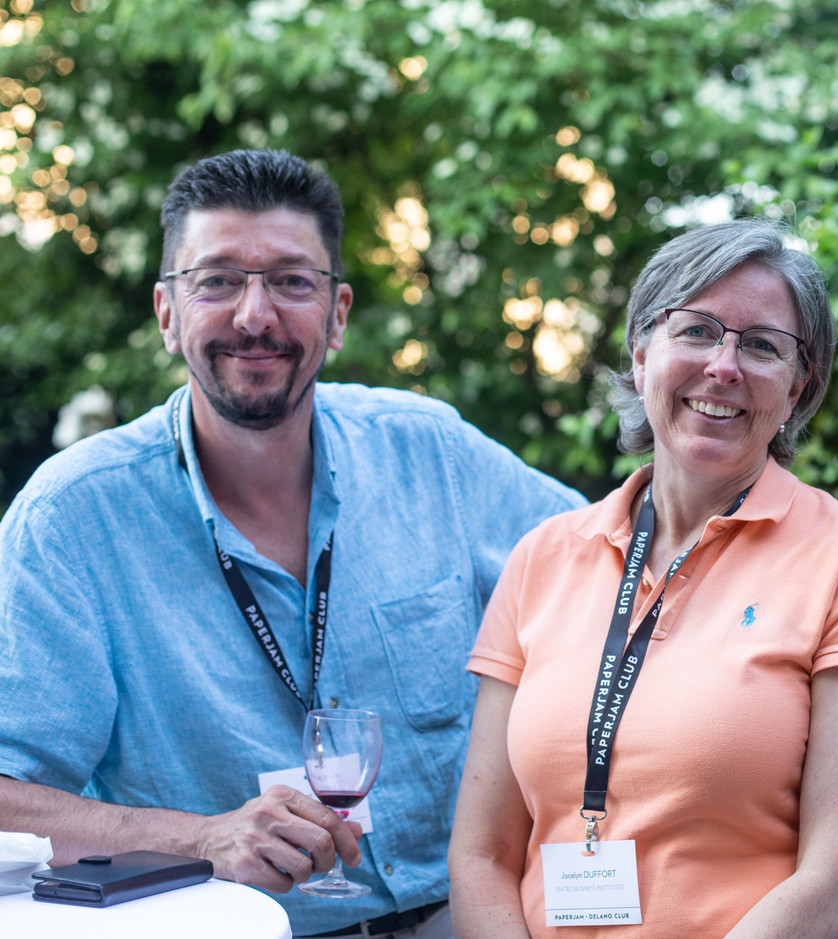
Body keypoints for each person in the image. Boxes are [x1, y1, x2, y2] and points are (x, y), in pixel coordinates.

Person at [0, 149, 583, 938]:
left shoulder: (429, 453)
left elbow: (613, 579)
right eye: (216, 280)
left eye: (290, 281)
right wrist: (202, 837)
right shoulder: (71, 521)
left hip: (480, 917)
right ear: (167, 313)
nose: (254, 314)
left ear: (338, 313)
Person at [447, 219, 838, 937]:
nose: (724, 366)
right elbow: (482, 854)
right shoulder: (541, 557)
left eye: (761, 345)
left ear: (798, 387)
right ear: (642, 356)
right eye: (696, 331)